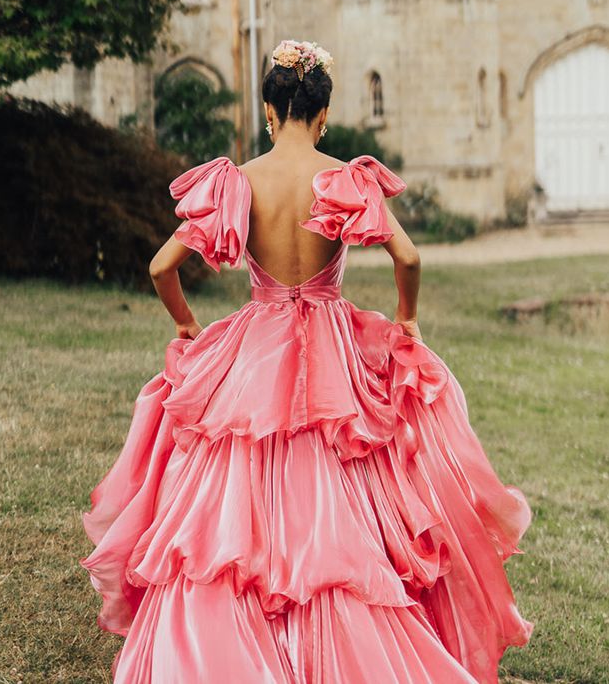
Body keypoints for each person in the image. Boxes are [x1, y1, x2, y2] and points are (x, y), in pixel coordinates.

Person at [80, 39, 533, 684]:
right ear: (322, 115)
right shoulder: (343, 178)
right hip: (330, 347)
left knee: (236, 494)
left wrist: (186, 323)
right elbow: (408, 257)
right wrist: (406, 319)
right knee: (334, 487)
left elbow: (160, 266)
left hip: (256, 344)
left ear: (269, 109)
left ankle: (238, 642)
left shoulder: (238, 181)